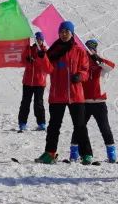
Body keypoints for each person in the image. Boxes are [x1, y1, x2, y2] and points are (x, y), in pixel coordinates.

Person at [36, 21, 92, 164]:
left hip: (75, 95)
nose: (64, 34)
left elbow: (86, 70)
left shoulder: (80, 51)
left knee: (80, 126)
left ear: (72, 33)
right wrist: (42, 57)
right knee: (53, 126)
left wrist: (80, 76)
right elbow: (47, 69)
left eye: (67, 31)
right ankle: (50, 153)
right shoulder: (53, 51)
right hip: (57, 95)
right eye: (62, 31)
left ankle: (86, 154)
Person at [75, 39, 118, 163]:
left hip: (99, 102)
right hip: (84, 102)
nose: (90, 50)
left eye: (93, 48)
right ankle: (74, 151)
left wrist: (98, 59)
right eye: (88, 48)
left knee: (105, 128)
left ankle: (111, 153)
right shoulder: (82, 63)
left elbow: (111, 66)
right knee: (80, 128)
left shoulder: (100, 65)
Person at [18, 31, 51, 132]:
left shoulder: (45, 52)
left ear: (43, 40)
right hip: (28, 81)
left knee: (38, 103)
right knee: (25, 103)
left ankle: (41, 123)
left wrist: (40, 58)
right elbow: (22, 61)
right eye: (36, 39)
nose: (38, 41)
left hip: (39, 82)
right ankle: (22, 123)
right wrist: (28, 61)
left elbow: (48, 68)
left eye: (40, 39)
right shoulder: (29, 50)